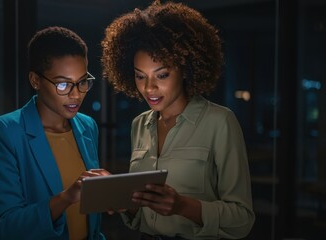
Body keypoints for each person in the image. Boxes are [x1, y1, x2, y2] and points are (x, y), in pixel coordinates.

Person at [101, 1, 255, 239]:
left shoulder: (220, 122)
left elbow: (242, 219)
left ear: (185, 68)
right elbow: (143, 216)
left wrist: (182, 206)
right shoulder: (139, 125)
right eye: (140, 76)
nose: (149, 88)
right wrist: (124, 200)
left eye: (162, 75)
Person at [0, 26, 108, 240]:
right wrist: (66, 198)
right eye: (63, 84)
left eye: (82, 82)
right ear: (35, 81)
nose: (76, 94)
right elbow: (7, 227)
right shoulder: (6, 132)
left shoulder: (87, 126)